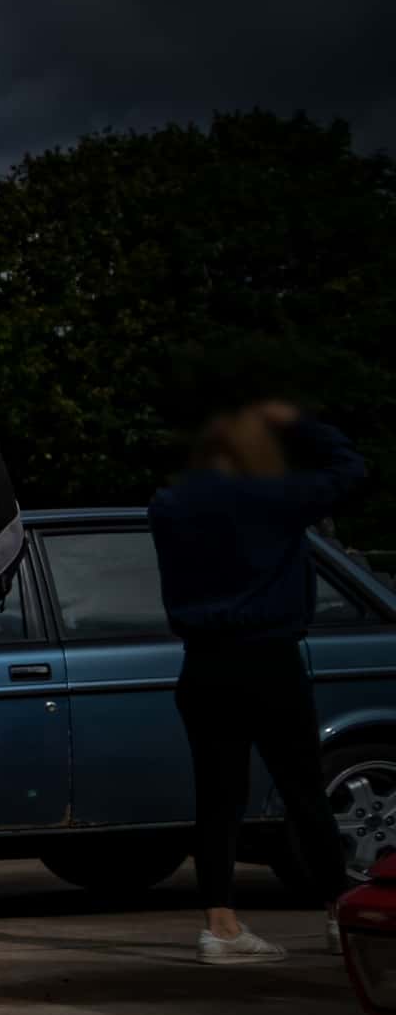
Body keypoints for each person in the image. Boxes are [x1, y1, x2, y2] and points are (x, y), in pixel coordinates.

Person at [151, 400, 367, 961]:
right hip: (270, 658)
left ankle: (220, 927)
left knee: (219, 798)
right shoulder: (276, 499)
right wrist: (300, 423)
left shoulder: (170, 506)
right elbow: (349, 471)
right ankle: (337, 913)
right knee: (302, 790)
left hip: (203, 663)